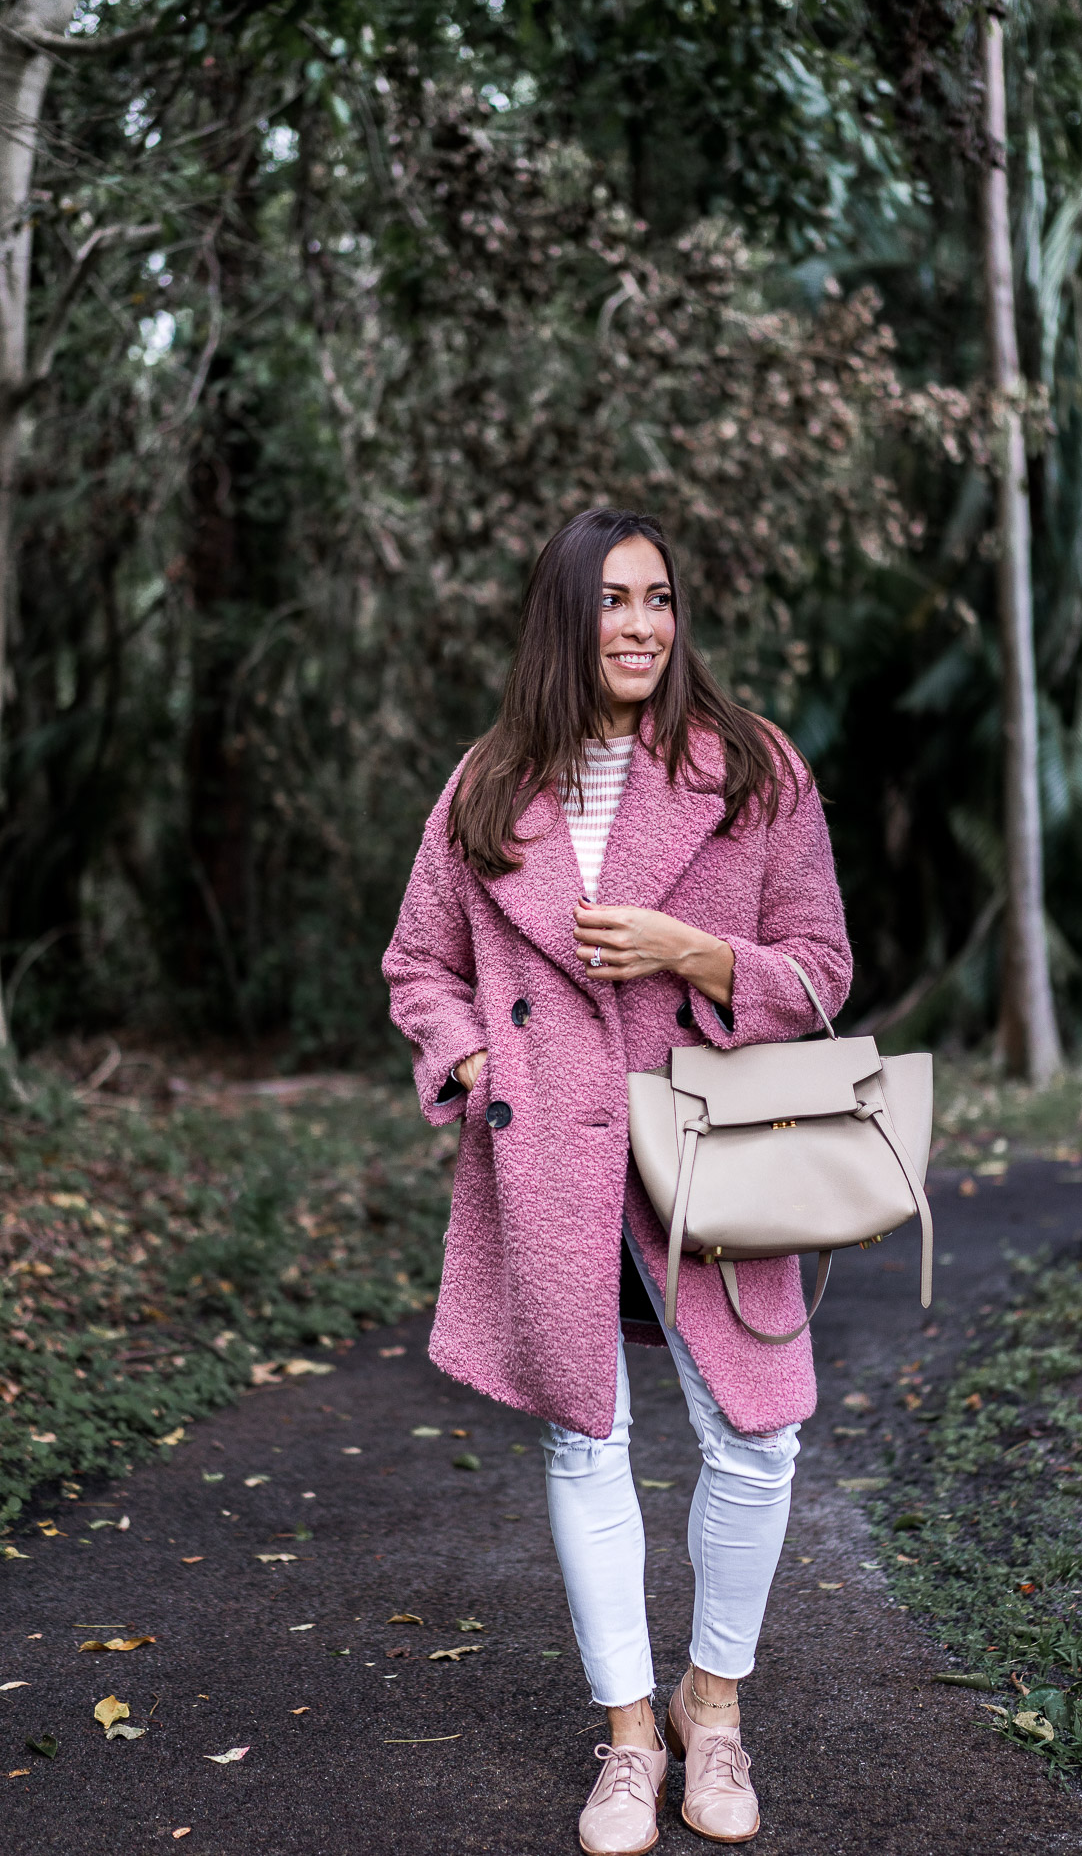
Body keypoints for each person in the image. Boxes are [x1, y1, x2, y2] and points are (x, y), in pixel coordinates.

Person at [383, 508, 852, 1853]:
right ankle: (629, 1740)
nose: (642, 624)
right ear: (564, 619)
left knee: (758, 1440)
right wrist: (471, 1063)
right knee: (583, 1437)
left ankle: (716, 1711)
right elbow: (418, 963)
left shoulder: (750, 770)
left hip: (710, 1138)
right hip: (548, 1154)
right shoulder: (486, 784)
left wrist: (693, 955)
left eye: (658, 599)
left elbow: (817, 963)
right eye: (612, 601)